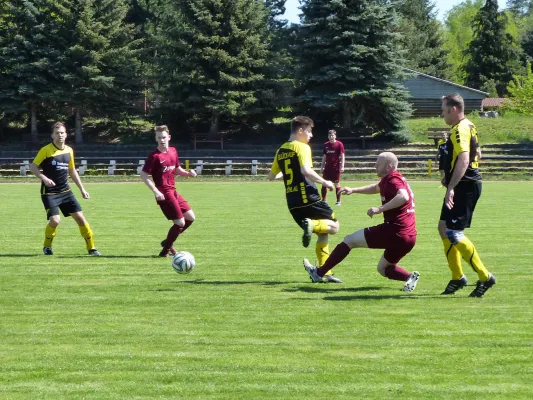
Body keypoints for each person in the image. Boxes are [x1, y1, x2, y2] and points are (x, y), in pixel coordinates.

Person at [303, 152, 420, 292]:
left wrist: (379, 209)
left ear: (389, 166)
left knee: (349, 240)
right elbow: (376, 188)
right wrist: (354, 190)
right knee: (383, 269)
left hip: (395, 231)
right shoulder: (390, 179)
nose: (375, 166)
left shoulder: (393, 180)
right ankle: (409, 278)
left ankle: (318, 273)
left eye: (378, 164)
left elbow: (403, 196)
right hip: (410, 237)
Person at [268, 116, 343, 283]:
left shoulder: (281, 150)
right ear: (300, 131)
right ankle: (311, 224)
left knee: (323, 234)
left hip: (292, 202)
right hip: (308, 196)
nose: (311, 136)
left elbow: (271, 176)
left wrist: (288, 173)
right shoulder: (302, 147)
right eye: (309, 131)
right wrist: (325, 182)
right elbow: (306, 171)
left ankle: (325, 272)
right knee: (335, 226)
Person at [438, 94, 496, 297]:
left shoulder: (461, 128)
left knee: (454, 233)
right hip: (464, 183)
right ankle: (457, 277)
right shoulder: (468, 125)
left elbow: (464, 158)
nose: (442, 114)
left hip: (465, 185)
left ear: (453, 109)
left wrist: (452, 187)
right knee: (444, 229)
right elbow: (477, 152)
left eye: (444, 110)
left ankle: (485, 276)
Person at [29, 122, 101, 256]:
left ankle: (92, 249)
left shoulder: (69, 150)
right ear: (52, 135)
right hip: (50, 193)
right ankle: (47, 246)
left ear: (66, 134)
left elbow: (72, 171)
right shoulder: (46, 150)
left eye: (62, 133)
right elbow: (33, 167)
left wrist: (82, 189)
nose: (60, 135)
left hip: (66, 191)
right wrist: (43, 178)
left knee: (81, 218)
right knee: (55, 220)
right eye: (57, 133)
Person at [140, 125, 197, 257]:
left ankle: (168, 242)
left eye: (164, 137)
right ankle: (164, 251)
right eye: (159, 137)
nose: (162, 140)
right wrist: (156, 191)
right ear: (156, 138)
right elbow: (143, 175)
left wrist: (189, 174)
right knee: (180, 222)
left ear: (169, 137)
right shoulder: (154, 156)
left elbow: (177, 169)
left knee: (190, 217)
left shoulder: (173, 151)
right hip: (164, 193)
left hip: (173, 191)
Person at [320, 130, 345, 205]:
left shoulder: (339, 144)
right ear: (328, 136)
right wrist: (322, 166)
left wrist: (342, 166)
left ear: (335, 136)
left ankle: (338, 201)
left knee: (337, 184)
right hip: (327, 168)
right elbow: (324, 156)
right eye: (330, 136)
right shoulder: (326, 145)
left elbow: (342, 155)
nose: (331, 137)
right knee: (324, 183)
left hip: (336, 168)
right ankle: (324, 201)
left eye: (333, 135)